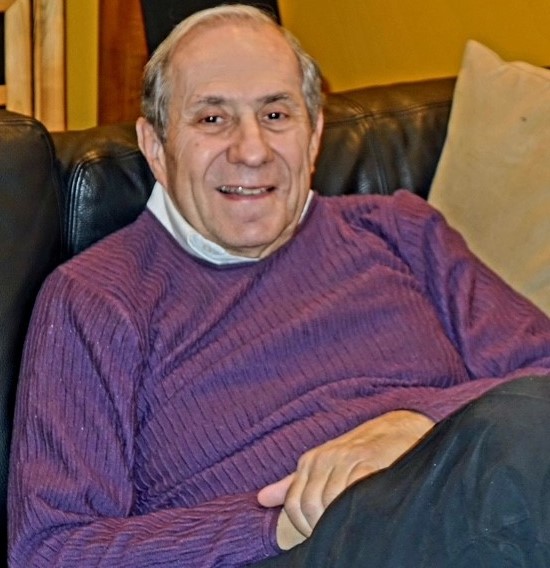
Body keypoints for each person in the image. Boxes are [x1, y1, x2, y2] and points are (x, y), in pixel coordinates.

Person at [7, 4, 550, 567]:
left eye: (275, 114)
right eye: (212, 119)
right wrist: (286, 519)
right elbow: (51, 548)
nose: (251, 150)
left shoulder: (400, 232)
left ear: (313, 135)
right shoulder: (94, 299)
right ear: (156, 147)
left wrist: (416, 429)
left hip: (469, 511)